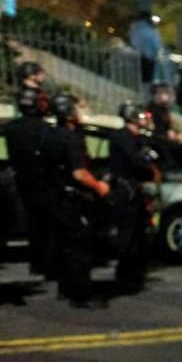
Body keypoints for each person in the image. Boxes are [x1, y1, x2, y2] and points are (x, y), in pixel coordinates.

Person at [44, 93, 111, 308]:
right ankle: (83, 295)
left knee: (66, 247)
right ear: (69, 114)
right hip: (73, 200)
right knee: (80, 249)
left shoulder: (50, 135)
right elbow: (79, 173)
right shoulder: (71, 139)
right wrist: (99, 186)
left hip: (56, 197)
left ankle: (66, 289)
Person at [107, 101, 160, 293]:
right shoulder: (122, 137)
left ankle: (136, 274)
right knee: (128, 236)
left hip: (136, 192)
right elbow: (138, 162)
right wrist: (148, 162)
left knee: (140, 235)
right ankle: (125, 278)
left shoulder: (138, 138)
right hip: (126, 192)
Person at [6, 86, 55, 278]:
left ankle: (37, 263)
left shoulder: (11, 128)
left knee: (33, 223)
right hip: (46, 182)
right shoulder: (44, 129)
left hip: (23, 182)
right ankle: (49, 265)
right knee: (49, 225)